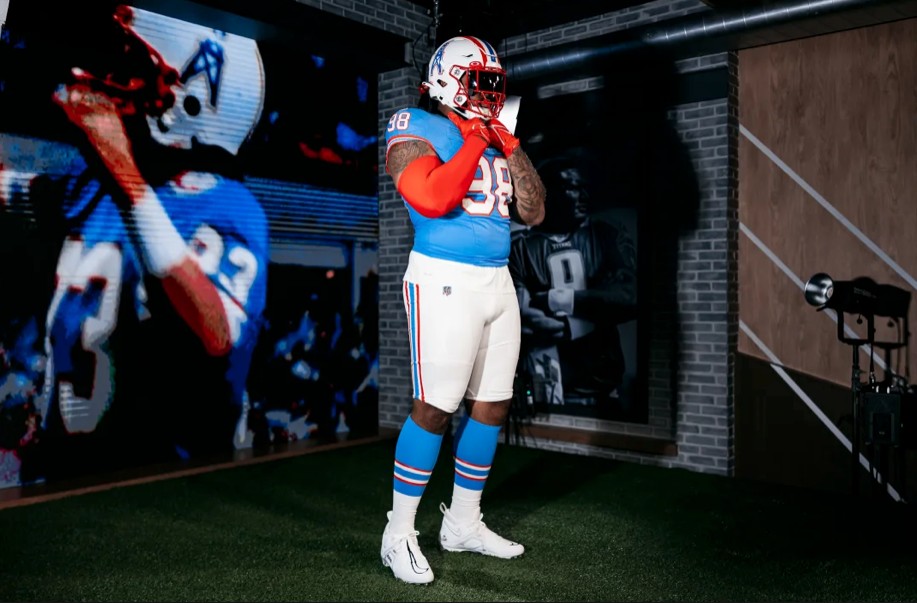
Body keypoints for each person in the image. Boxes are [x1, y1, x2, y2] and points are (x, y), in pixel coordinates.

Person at [0, 4, 268, 480]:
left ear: (187, 105)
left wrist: (125, 174)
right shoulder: (95, 185)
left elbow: (216, 330)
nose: (103, 77)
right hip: (60, 474)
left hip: (161, 490)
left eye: (131, 69)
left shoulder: (227, 202)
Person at [380, 35, 546, 584]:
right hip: (443, 277)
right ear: (448, 80)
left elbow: (534, 211)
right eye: (480, 83)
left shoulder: (494, 136)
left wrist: (510, 146)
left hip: (497, 279)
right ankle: (398, 533)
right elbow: (432, 198)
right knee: (436, 406)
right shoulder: (416, 125)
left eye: (495, 84)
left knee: (493, 404)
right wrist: (475, 140)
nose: (489, 95)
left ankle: (463, 523)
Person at [509, 156, 638, 417]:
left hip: (600, 387)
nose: (584, 196)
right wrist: (590, 316)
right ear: (546, 193)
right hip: (545, 384)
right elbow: (522, 316)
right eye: (572, 187)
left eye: (584, 187)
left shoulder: (605, 234)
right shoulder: (520, 247)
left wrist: (560, 300)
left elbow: (629, 296)